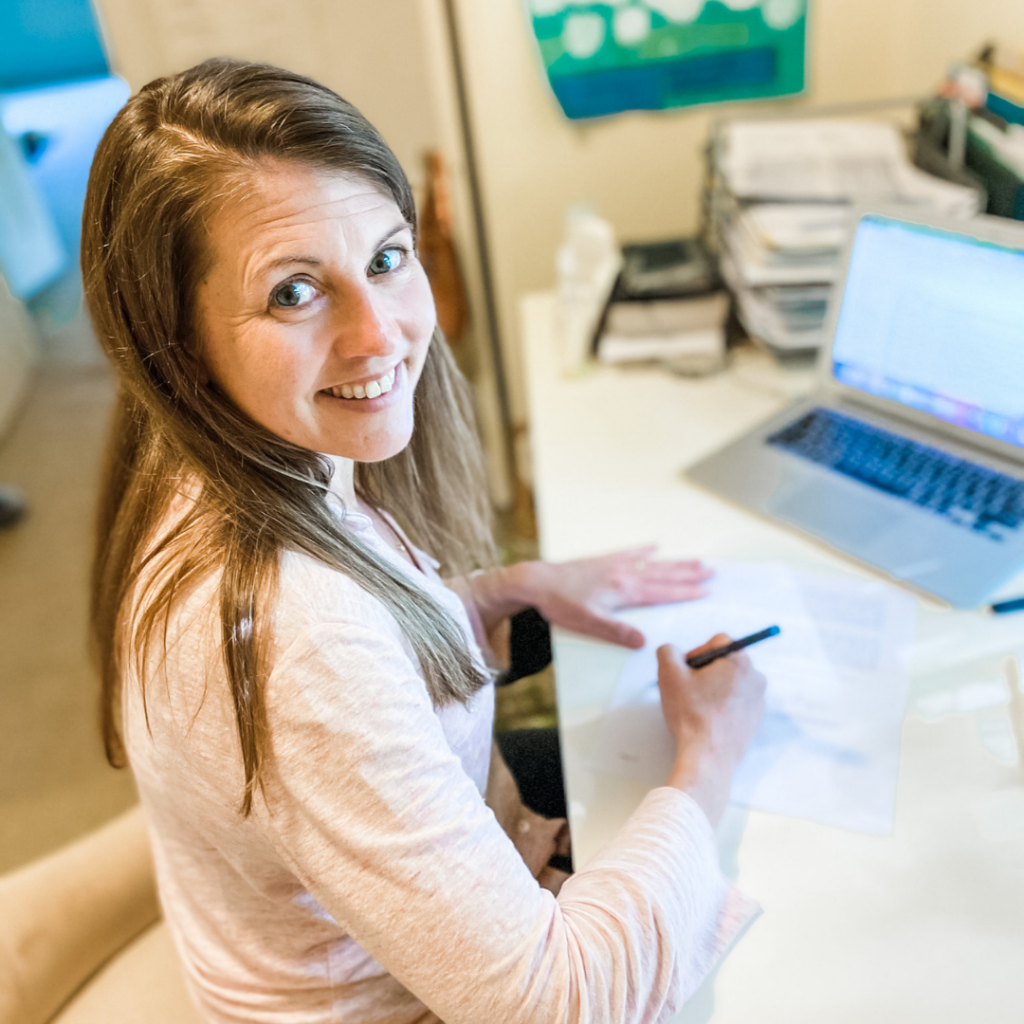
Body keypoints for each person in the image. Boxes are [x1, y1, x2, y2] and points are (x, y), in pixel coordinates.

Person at [82, 59, 766, 1024]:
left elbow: (341, 651)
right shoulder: (292, 633)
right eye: (292, 292)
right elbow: (561, 1003)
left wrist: (480, 599)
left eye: (387, 258)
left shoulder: (197, 460)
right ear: (177, 338)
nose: (381, 336)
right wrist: (711, 757)